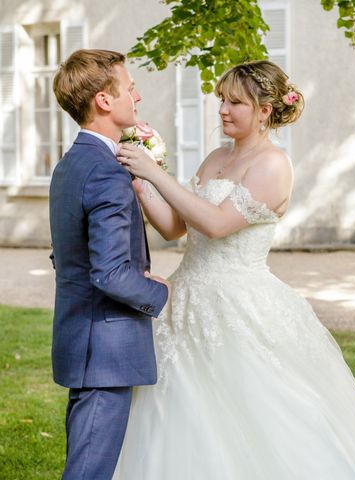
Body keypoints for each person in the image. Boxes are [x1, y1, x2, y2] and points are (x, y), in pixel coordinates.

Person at [114, 60, 355, 479]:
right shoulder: (216, 157)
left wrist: (157, 176)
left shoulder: (272, 165)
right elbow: (176, 227)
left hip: (238, 302)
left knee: (256, 411)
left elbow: (216, 224)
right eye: (221, 101)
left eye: (236, 102)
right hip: (184, 297)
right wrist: (142, 184)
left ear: (265, 110)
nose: (223, 111)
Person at [49, 49, 170, 479]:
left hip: (82, 340)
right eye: (129, 85)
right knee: (88, 472)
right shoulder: (105, 172)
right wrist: (161, 292)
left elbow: (65, 252)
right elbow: (111, 273)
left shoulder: (71, 164)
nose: (136, 94)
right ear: (104, 100)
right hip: (105, 351)